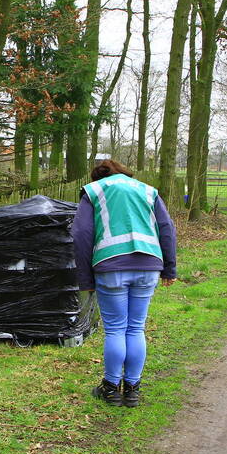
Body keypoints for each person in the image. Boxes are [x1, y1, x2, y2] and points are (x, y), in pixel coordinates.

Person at [71, 159, 177, 408]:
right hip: (149, 265)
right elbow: (167, 228)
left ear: (98, 177)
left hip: (111, 267)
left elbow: (81, 234)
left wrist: (85, 279)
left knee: (116, 329)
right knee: (136, 328)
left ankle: (110, 389)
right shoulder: (148, 190)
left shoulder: (94, 191)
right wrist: (169, 269)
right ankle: (132, 390)